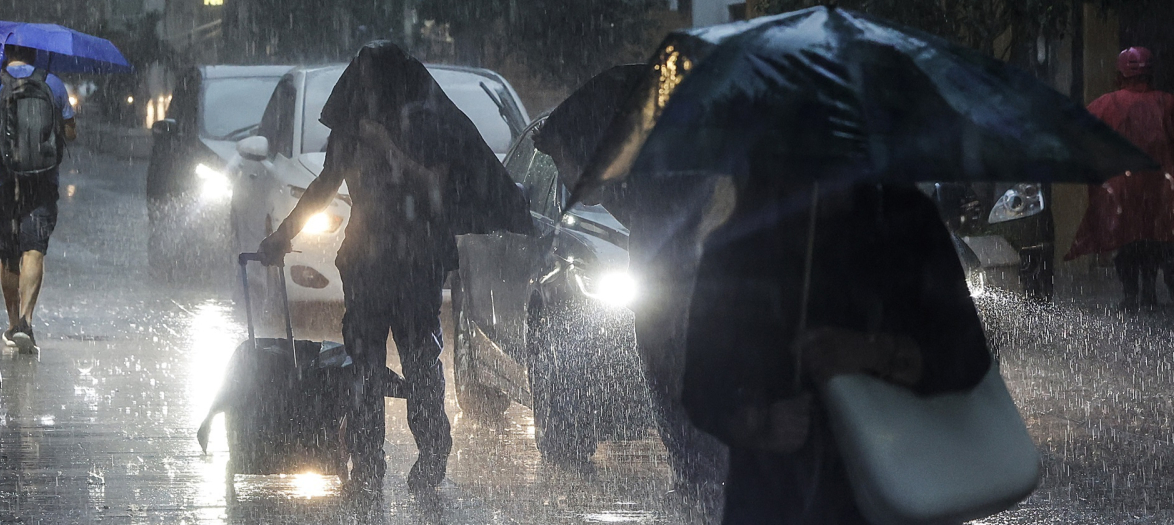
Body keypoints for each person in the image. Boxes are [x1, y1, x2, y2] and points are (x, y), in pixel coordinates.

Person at [255, 42, 529, 495]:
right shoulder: (351, 127)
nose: (370, 89)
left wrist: (388, 148)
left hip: (416, 262)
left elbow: (435, 186)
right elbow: (325, 185)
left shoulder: (428, 123)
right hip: (365, 263)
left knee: (419, 360)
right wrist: (283, 237)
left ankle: (433, 449)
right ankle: (367, 463)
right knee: (364, 366)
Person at [680, 158, 992, 523]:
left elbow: (968, 356)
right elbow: (701, 385)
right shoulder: (738, 248)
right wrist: (759, 425)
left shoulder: (907, 226)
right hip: (775, 499)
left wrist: (875, 352)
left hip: (895, 493)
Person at [534, 68, 730, 515]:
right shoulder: (642, 138)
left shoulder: (666, 156)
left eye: (569, 166)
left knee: (675, 367)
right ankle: (695, 473)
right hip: (666, 274)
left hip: (685, 276)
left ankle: (700, 473)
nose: (570, 184)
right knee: (665, 368)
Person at [0, 44, 76, 352]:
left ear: (6, 54)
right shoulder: (54, 84)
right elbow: (70, 132)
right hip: (43, 179)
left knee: (8, 254)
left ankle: (12, 321)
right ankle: (27, 324)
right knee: (34, 250)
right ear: (35, 54)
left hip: (1, 180)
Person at [1066, 47, 1174, 311]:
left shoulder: (1105, 104)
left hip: (1120, 189)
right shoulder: (1167, 103)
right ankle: (1149, 294)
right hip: (1160, 188)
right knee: (1155, 240)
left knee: (1127, 241)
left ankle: (1131, 296)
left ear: (1120, 74)